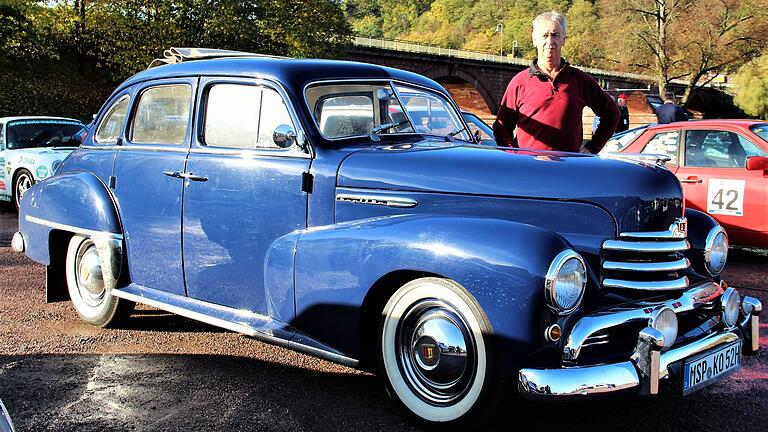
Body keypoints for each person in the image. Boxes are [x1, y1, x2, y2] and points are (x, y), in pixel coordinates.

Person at [493, 11, 619, 153]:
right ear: (535, 40)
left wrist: (593, 147)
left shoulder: (579, 80)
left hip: (568, 169)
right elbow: (502, 127)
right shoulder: (519, 82)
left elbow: (612, 113)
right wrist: (514, 157)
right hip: (528, 170)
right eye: (545, 36)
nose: (550, 42)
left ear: (564, 39)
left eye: (555, 35)